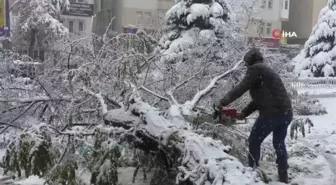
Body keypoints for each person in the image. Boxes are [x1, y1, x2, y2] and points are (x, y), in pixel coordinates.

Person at [215, 48, 293, 183]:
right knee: (279, 143)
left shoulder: (256, 69)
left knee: (254, 141)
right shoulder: (267, 71)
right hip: (286, 113)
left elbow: (240, 89)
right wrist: (244, 113)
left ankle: (253, 173)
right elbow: (261, 99)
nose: (246, 67)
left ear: (250, 61)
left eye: (246, 64)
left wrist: (222, 102)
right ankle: (283, 174)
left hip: (271, 115)